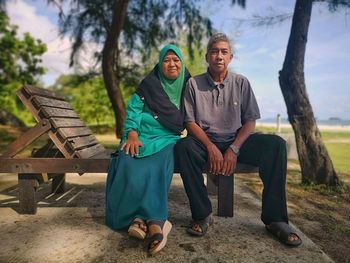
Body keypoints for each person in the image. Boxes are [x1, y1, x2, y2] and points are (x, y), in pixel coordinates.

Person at [174, 33, 302, 247]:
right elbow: (190, 123)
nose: (219, 56)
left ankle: (275, 219)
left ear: (230, 57)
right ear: (207, 57)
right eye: (214, 51)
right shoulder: (193, 84)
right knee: (183, 147)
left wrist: (233, 149)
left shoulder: (241, 83)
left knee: (276, 145)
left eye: (224, 52)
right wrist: (210, 147)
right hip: (205, 142)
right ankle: (202, 214)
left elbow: (250, 121)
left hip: (237, 141)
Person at [106, 44, 190, 255]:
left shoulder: (190, 87)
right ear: (160, 64)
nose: (171, 64)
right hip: (140, 136)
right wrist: (132, 134)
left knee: (157, 165)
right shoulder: (148, 85)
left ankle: (148, 220)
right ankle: (148, 220)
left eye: (176, 60)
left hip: (166, 138)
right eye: (166, 60)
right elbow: (133, 111)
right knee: (127, 159)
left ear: (181, 63)